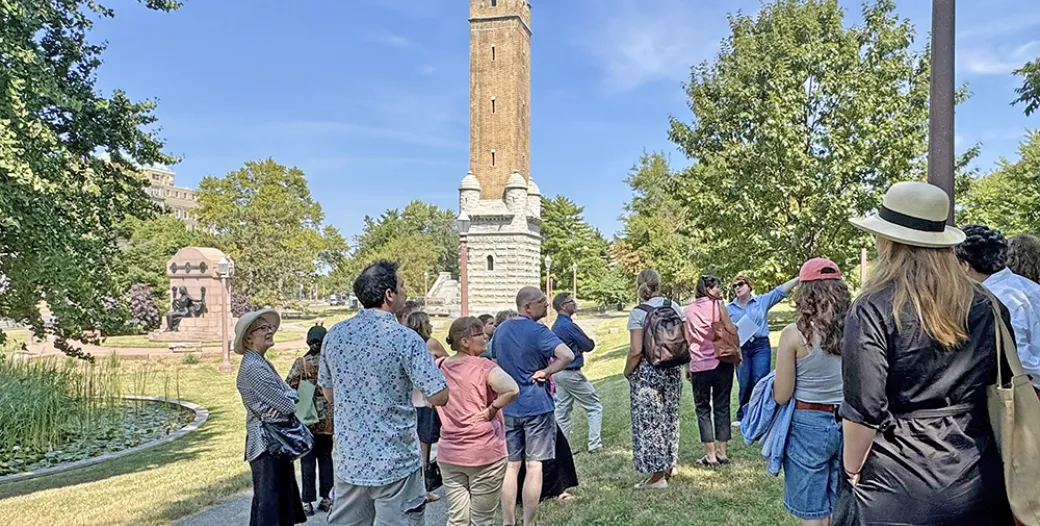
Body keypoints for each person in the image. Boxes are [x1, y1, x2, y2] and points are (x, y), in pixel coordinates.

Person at [834, 181, 1013, 524]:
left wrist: (851, 469)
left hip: (896, 479)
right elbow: (999, 379)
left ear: (888, 241)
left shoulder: (872, 307)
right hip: (976, 471)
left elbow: (864, 407)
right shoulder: (988, 305)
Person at [318, 260, 449, 526]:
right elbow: (439, 395)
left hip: (350, 459)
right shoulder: (405, 338)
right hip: (396, 461)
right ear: (389, 295)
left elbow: (328, 392)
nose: (405, 291)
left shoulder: (335, 335)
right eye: (401, 286)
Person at [772, 259, 849, 525]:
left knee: (812, 512)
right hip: (850, 421)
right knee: (843, 504)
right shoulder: (857, 328)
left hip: (808, 423)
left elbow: (781, 394)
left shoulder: (793, 334)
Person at [492, 286, 574, 526]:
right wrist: (547, 371)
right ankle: (529, 521)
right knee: (534, 465)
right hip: (536, 405)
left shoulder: (501, 329)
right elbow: (567, 355)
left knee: (511, 466)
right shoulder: (539, 331)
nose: (546, 306)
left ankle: (508, 521)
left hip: (508, 406)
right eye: (542, 302)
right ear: (527, 306)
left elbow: (494, 360)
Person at [435, 317, 520, 526]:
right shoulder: (484, 366)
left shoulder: (439, 366)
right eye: (480, 334)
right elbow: (512, 389)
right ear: (465, 341)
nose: (485, 337)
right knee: (482, 519)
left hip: (449, 452)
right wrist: (492, 409)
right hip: (484, 452)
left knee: (457, 518)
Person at [234, 308, 307, 526]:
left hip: (274, 444)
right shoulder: (253, 367)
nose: (270, 331)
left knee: (276, 504)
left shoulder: (261, 363)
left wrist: (286, 396)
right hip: (267, 445)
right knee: (270, 508)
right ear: (249, 338)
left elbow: (285, 396)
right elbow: (287, 404)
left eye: (270, 327)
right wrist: (289, 396)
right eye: (263, 328)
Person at [956, 224, 1040, 398]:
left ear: (964, 265)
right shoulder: (1029, 287)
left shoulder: (994, 298)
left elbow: (1019, 358)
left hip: (1023, 393)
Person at [623, 269, 684, 489]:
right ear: (659, 284)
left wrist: (627, 371)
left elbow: (636, 350)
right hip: (672, 369)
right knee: (670, 416)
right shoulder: (673, 306)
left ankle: (657, 477)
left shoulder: (638, 312)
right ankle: (670, 464)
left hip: (649, 372)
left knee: (650, 422)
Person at [728, 272, 799, 424]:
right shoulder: (730, 309)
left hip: (760, 346)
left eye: (741, 284)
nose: (737, 288)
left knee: (760, 379)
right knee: (745, 382)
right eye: (735, 286)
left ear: (749, 286)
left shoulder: (761, 301)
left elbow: (779, 291)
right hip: (742, 347)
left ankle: (762, 414)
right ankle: (744, 415)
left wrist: (799, 277)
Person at [682, 275, 738, 467]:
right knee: (722, 405)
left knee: (702, 409)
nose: (719, 291)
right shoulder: (718, 306)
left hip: (699, 364)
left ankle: (710, 454)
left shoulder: (688, 311)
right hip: (721, 361)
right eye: (716, 288)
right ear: (707, 289)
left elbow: (687, 340)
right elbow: (730, 329)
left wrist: (687, 366)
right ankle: (722, 451)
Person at [285, 325, 335, 516]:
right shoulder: (330, 362)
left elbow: (289, 385)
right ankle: (327, 498)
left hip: (307, 418)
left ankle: (307, 502)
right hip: (327, 420)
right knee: (325, 458)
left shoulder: (301, 363)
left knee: (307, 459)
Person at [550, 292, 603, 454]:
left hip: (558, 371)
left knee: (562, 410)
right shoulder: (568, 325)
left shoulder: (556, 326)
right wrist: (580, 347)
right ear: (562, 306)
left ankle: (559, 449)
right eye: (570, 301)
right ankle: (595, 444)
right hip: (572, 372)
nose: (574, 303)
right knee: (594, 406)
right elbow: (588, 344)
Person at [405, 310, 449, 503]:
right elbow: (448, 362)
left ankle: (414, 488)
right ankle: (422, 489)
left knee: (411, 445)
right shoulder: (430, 343)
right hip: (426, 400)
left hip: (408, 401)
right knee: (424, 445)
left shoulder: (404, 342)